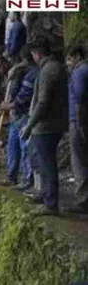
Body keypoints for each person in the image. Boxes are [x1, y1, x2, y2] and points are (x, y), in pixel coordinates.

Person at [20, 38, 68, 216]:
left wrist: (29, 125)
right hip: (53, 122)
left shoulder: (48, 70)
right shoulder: (56, 67)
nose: (33, 57)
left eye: (33, 53)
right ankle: (46, 195)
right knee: (43, 161)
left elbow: (42, 102)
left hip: (46, 125)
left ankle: (50, 203)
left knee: (47, 163)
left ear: (38, 53)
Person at [0, 46, 39, 189]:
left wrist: (9, 106)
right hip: (18, 114)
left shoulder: (31, 73)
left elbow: (23, 96)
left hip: (26, 114)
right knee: (13, 146)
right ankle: (12, 176)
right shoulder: (18, 71)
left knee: (24, 148)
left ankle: (27, 180)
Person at [65, 46, 88, 213]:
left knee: (79, 161)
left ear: (77, 56)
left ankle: (83, 198)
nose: (67, 63)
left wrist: (80, 124)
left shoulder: (79, 72)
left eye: (69, 59)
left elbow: (79, 99)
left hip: (78, 121)